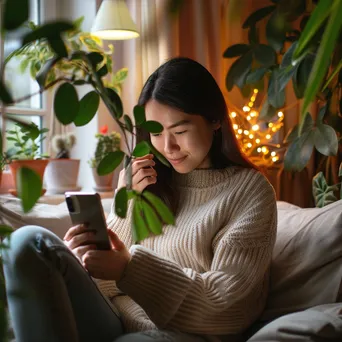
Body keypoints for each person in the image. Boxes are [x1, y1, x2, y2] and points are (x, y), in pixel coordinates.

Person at [3, 57, 277, 342]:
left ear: (215, 120)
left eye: (180, 131)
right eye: (156, 133)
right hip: (115, 318)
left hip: (184, 333)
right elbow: (107, 286)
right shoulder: (147, 181)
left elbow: (226, 307)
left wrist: (129, 267)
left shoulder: (250, 192)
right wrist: (98, 245)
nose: (168, 147)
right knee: (26, 241)